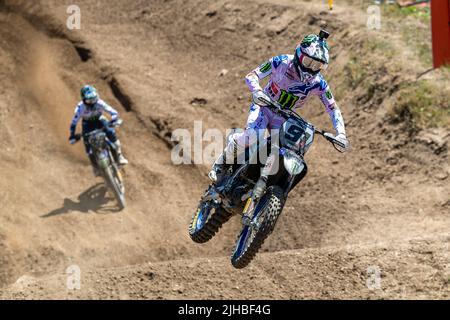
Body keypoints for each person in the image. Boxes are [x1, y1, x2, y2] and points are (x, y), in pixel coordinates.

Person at [209, 30, 349, 193]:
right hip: (264, 106)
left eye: (317, 65)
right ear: (299, 53)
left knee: (290, 150)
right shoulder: (281, 62)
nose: (312, 68)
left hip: (285, 117)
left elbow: (332, 108)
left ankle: (267, 184)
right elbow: (252, 75)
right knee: (253, 136)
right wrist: (257, 91)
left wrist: (341, 134)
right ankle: (220, 164)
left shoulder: (318, 83)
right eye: (309, 62)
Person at [69, 85, 128, 176]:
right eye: (89, 100)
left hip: (100, 120)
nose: (92, 102)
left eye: (94, 99)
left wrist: (114, 120)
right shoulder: (80, 108)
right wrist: (72, 135)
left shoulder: (100, 103)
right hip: (87, 124)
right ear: (84, 100)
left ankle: (119, 156)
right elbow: (74, 122)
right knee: (87, 144)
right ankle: (95, 167)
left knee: (110, 132)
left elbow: (113, 112)